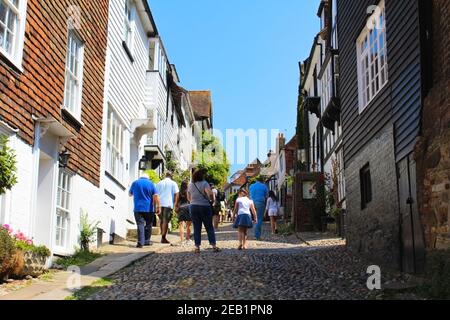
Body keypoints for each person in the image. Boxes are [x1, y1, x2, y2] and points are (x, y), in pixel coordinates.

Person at [188, 169, 221, 254]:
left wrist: (193, 201)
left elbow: (188, 197)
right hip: (204, 206)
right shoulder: (204, 183)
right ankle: (213, 245)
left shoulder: (191, 185)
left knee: (196, 227)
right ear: (202, 176)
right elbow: (209, 193)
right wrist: (211, 200)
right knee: (209, 227)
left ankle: (197, 247)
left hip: (193, 207)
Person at [129, 173, 160, 248]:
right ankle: (146, 241)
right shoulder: (151, 184)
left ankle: (140, 243)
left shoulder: (135, 183)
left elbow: (130, 194)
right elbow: (155, 196)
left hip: (138, 208)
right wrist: (158, 206)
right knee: (148, 225)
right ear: (148, 178)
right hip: (149, 208)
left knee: (140, 224)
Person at [156, 171, 179, 244]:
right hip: (168, 204)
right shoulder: (173, 183)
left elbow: (155, 194)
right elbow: (176, 194)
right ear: (171, 176)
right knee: (166, 221)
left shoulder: (159, 183)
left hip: (160, 204)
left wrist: (156, 205)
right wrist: (175, 204)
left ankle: (162, 236)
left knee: (162, 220)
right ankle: (163, 237)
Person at [249, 176, 269, 240]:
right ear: (262, 181)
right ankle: (257, 235)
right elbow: (267, 196)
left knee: (255, 218)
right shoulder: (264, 186)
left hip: (252, 203)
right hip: (260, 202)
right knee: (259, 219)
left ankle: (256, 234)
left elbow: (250, 194)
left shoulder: (251, 186)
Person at [175, 181, 192, 246]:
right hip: (188, 208)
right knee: (189, 225)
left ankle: (182, 240)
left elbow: (176, 202)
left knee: (181, 225)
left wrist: (176, 208)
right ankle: (188, 239)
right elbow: (190, 200)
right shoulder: (188, 192)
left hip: (181, 208)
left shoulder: (178, 193)